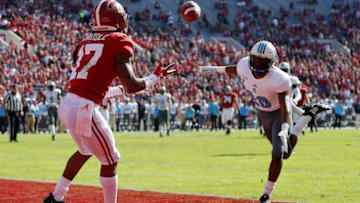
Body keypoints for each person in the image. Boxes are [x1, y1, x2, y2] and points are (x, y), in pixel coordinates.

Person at [43, 1, 175, 203]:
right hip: (83, 107)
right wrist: (154, 79)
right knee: (111, 159)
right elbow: (132, 85)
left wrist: (118, 90)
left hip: (68, 102)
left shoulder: (85, 41)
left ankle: (56, 196)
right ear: (118, 19)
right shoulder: (118, 40)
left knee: (85, 151)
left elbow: (90, 85)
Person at [201, 40, 330, 203]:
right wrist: (214, 69)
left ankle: (266, 194)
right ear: (250, 58)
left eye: (263, 61)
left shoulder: (280, 79)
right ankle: (306, 118)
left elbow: (285, 107)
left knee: (277, 153)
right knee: (285, 153)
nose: (258, 64)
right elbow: (233, 69)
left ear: (272, 63)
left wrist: (284, 128)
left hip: (277, 114)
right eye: (255, 59)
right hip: (264, 114)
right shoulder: (244, 65)